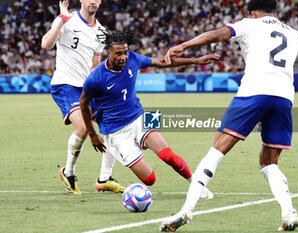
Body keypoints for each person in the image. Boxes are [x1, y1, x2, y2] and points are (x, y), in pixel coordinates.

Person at [159, 0, 298, 232]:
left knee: (217, 149)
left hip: (253, 94)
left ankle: (186, 210)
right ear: (276, 11)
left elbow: (218, 34)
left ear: (252, 12)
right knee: (269, 162)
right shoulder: (294, 34)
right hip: (283, 99)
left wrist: (186, 45)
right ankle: (288, 212)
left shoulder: (250, 24)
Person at [80, 30, 220, 197]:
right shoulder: (96, 78)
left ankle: (196, 185)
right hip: (117, 132)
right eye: (118, 53)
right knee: (150, 180)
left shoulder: (133, 58)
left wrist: (195, 61)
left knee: (168, 156)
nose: (124, 56)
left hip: (139, 116)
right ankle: (111, 173)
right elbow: (84, 102)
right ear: (108, 52)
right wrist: (92, 134)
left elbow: (162, 62)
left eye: (125, 52)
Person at [41, 0, 125, 195]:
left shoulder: (101, 31)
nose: (93, 1)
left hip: (86, 88)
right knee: (83, 127)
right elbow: (46, 44)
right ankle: (68, 172)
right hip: (65, 85)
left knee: (115, 123)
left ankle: (104, 178)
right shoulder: (67, 20)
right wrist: (61, 20)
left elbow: (94, 64)